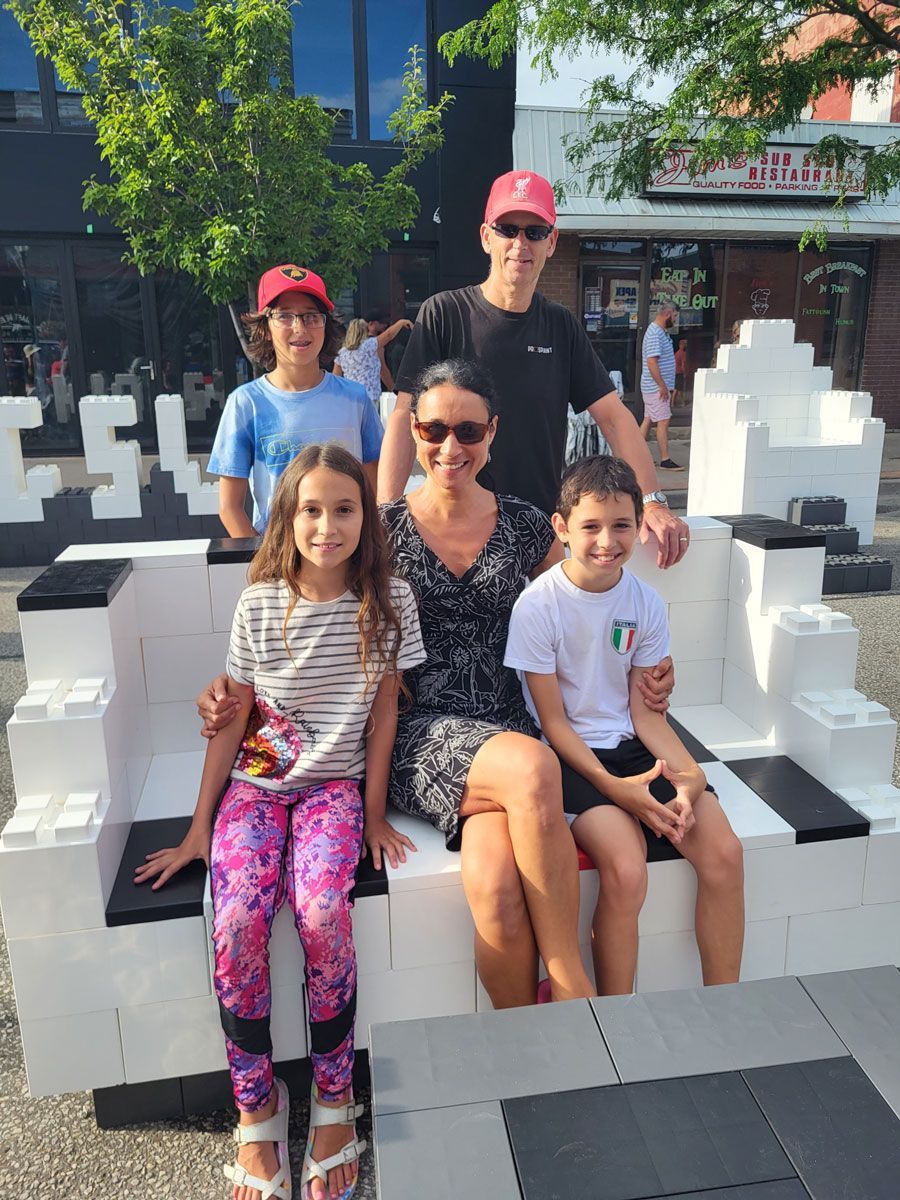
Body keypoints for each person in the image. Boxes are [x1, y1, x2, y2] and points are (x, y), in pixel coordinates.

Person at [197, 360, 678, 1013]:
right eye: (433, 428)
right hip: (421, 735)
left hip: (511, 730)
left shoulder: (529, 526)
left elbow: (582, 611)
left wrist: (643, 666)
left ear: (491, 433)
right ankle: (572, 993)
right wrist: (232, 690)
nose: (451, 446)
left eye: (469, 429)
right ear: (414, 431)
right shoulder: (382, 529)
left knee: (501, 898)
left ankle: (529, 1041)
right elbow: (309, 604)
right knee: (533, 766)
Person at [135, 444, 425, 1200]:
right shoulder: (261, 602)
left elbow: (385, 714)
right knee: (236, 918)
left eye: (344, 508)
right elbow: (232, 718)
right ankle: (256, 1105)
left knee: (326, 911)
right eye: (311, 509)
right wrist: (201, 826)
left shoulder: (389, 600)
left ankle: (334, 1100)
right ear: (287, 518)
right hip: (256, 790)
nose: (327, 526)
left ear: (366, 515)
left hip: (333, 790)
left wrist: (372, 815)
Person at [504, 455, 745, 996]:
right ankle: (616, 1018)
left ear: (640, 526)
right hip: (571, 759)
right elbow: (554, 722)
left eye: (621, 525)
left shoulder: (645, 602)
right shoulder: (538, 606)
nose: (607, 540)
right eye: (590, 526)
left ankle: (729, 1005)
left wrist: (690, 776)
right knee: (627, 870)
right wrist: (617, 790)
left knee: (725, 853)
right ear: (562, 528)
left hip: (633, 746)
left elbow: (644, 713)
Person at [378, 168, 691, 569]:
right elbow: (406, 416)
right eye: (508, 229)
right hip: (452, 535)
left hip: (536, 538)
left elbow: (613, 417)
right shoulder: (445, 313)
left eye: (535, 231)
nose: (520, 243)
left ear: (552, 241)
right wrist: (385, 516)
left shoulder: (560, 325)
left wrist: (653, 501)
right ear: (486, 236)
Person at [208, 265, 384, 536]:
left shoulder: (355, 399)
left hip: (348, 559)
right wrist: (268, 564)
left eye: (311, 316)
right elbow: (229, 508)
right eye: (285, 316)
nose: (300, 328)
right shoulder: (245, 404)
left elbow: (374, 490)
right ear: (265, 326)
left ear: (326, 324)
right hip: (280, 564)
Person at [640, 301, 682, 471]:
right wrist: (662, 386)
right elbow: (651, 362)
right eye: (675, 316)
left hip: (653, 387)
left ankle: (634, 455)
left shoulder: (660, 332)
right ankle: (665, 459)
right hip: (655, 388)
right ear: (668, 313)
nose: (676, 319)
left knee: (648, 420)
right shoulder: (655, 333)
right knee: (663, 421)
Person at [332, 315, 413, 405]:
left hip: (350, 397)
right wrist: (401, 322)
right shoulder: (369, 345)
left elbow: (336, 377)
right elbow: (388, 335)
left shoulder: (342, 352)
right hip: (369, 395)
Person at [673, 338, 688, 407]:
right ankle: (675, 402)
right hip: (680, 372)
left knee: (678, 388)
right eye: (685, 344)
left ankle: (678, 402)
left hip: (675, 371)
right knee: (678, 388)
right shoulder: (683, 354)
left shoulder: (676, 353)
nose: (686, 346)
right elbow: (683, 364)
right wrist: (685, 373)